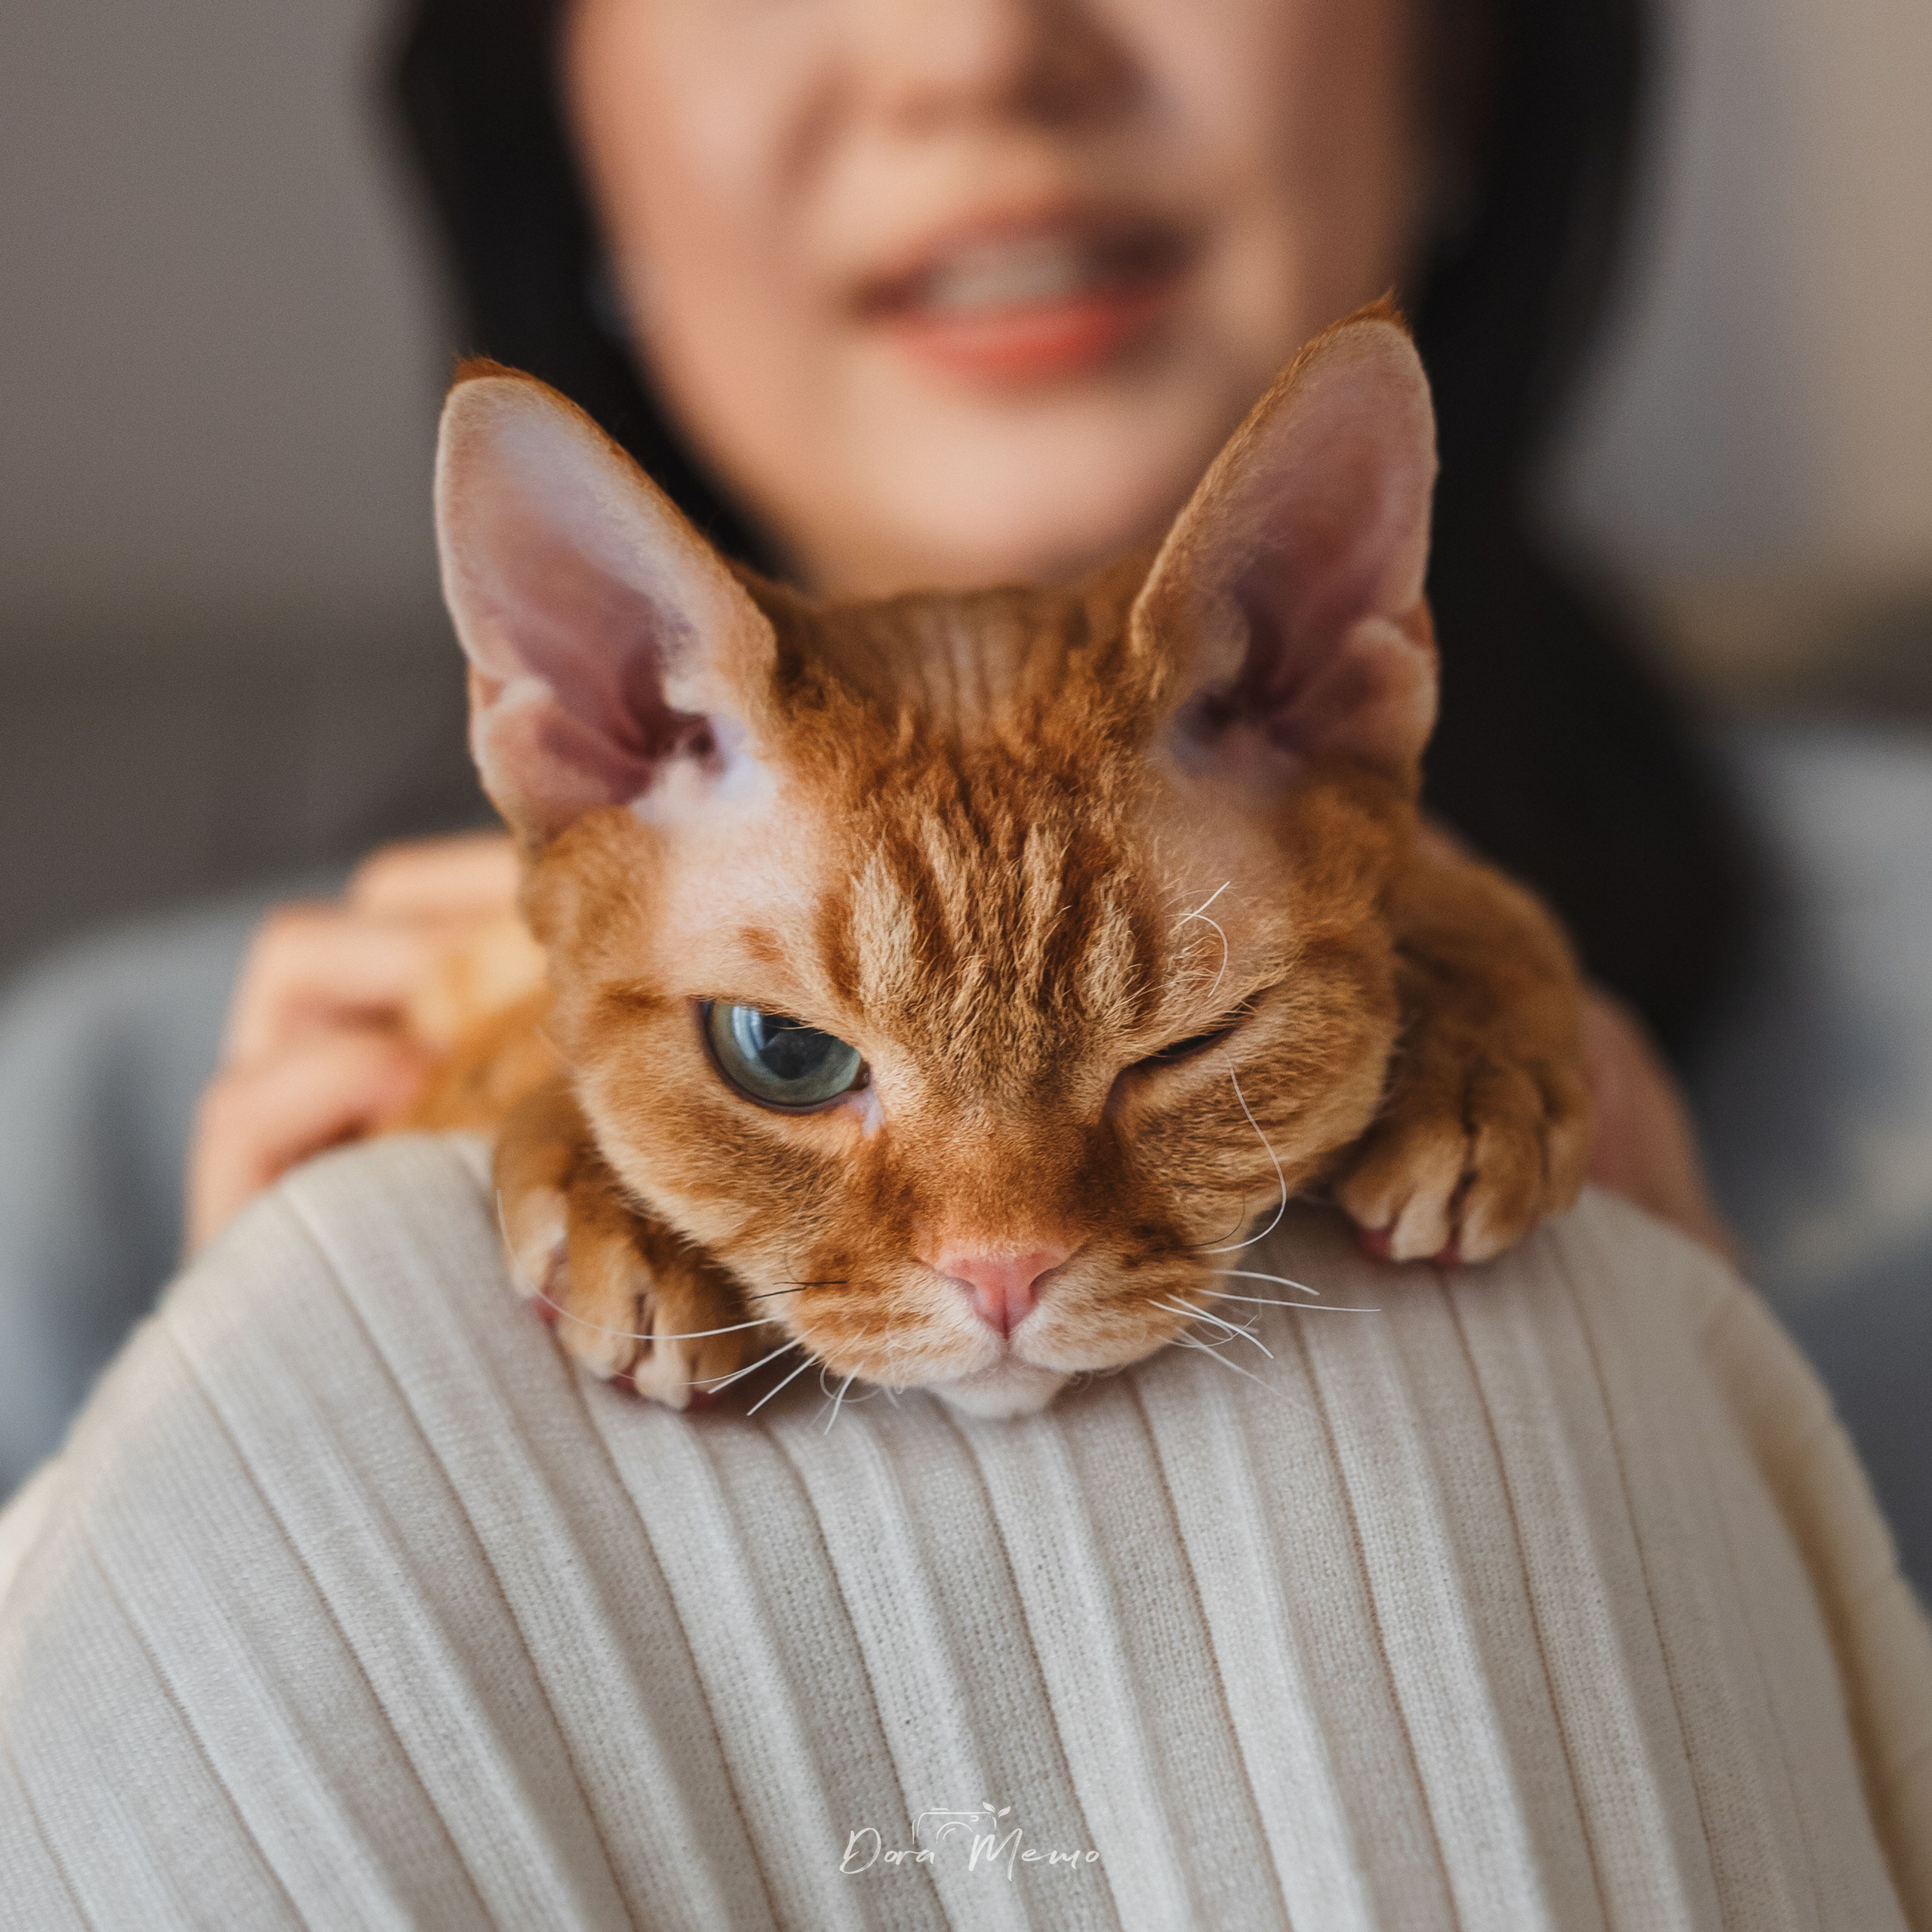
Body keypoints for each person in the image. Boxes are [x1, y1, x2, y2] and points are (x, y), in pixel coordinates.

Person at [3, 0, 1749, 1488]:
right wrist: (252, 1496)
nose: (971, 48)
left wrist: (1708, 1449)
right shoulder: (74, 1140)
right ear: (544, 89)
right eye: (778, 1046)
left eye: (1189, 1029)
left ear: (1464, 47)